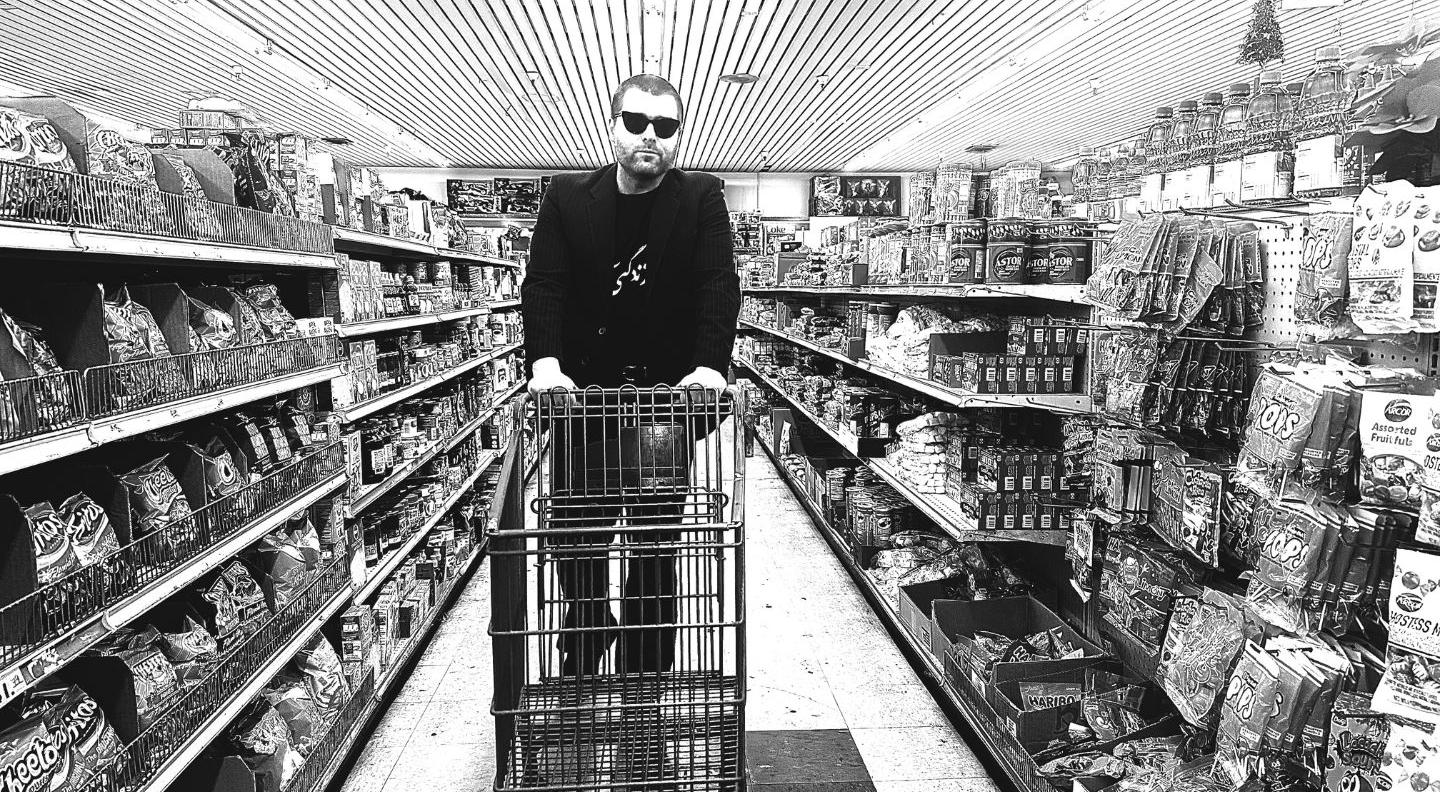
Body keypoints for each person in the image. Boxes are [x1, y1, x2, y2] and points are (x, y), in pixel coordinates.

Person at [520, 73, 740, 783]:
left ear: (678, 135)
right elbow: (545, 284)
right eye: (638, 120)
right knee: (576, 558)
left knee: (652, 561)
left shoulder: (701, 199)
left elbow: (717, 284)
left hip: (660, 418)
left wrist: (708, 366)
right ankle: (583, 681)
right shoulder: (564, 197)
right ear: (612, 123)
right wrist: (547, 363)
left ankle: (644, 705)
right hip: (582, 409)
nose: (651, 134)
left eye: (666, 126)